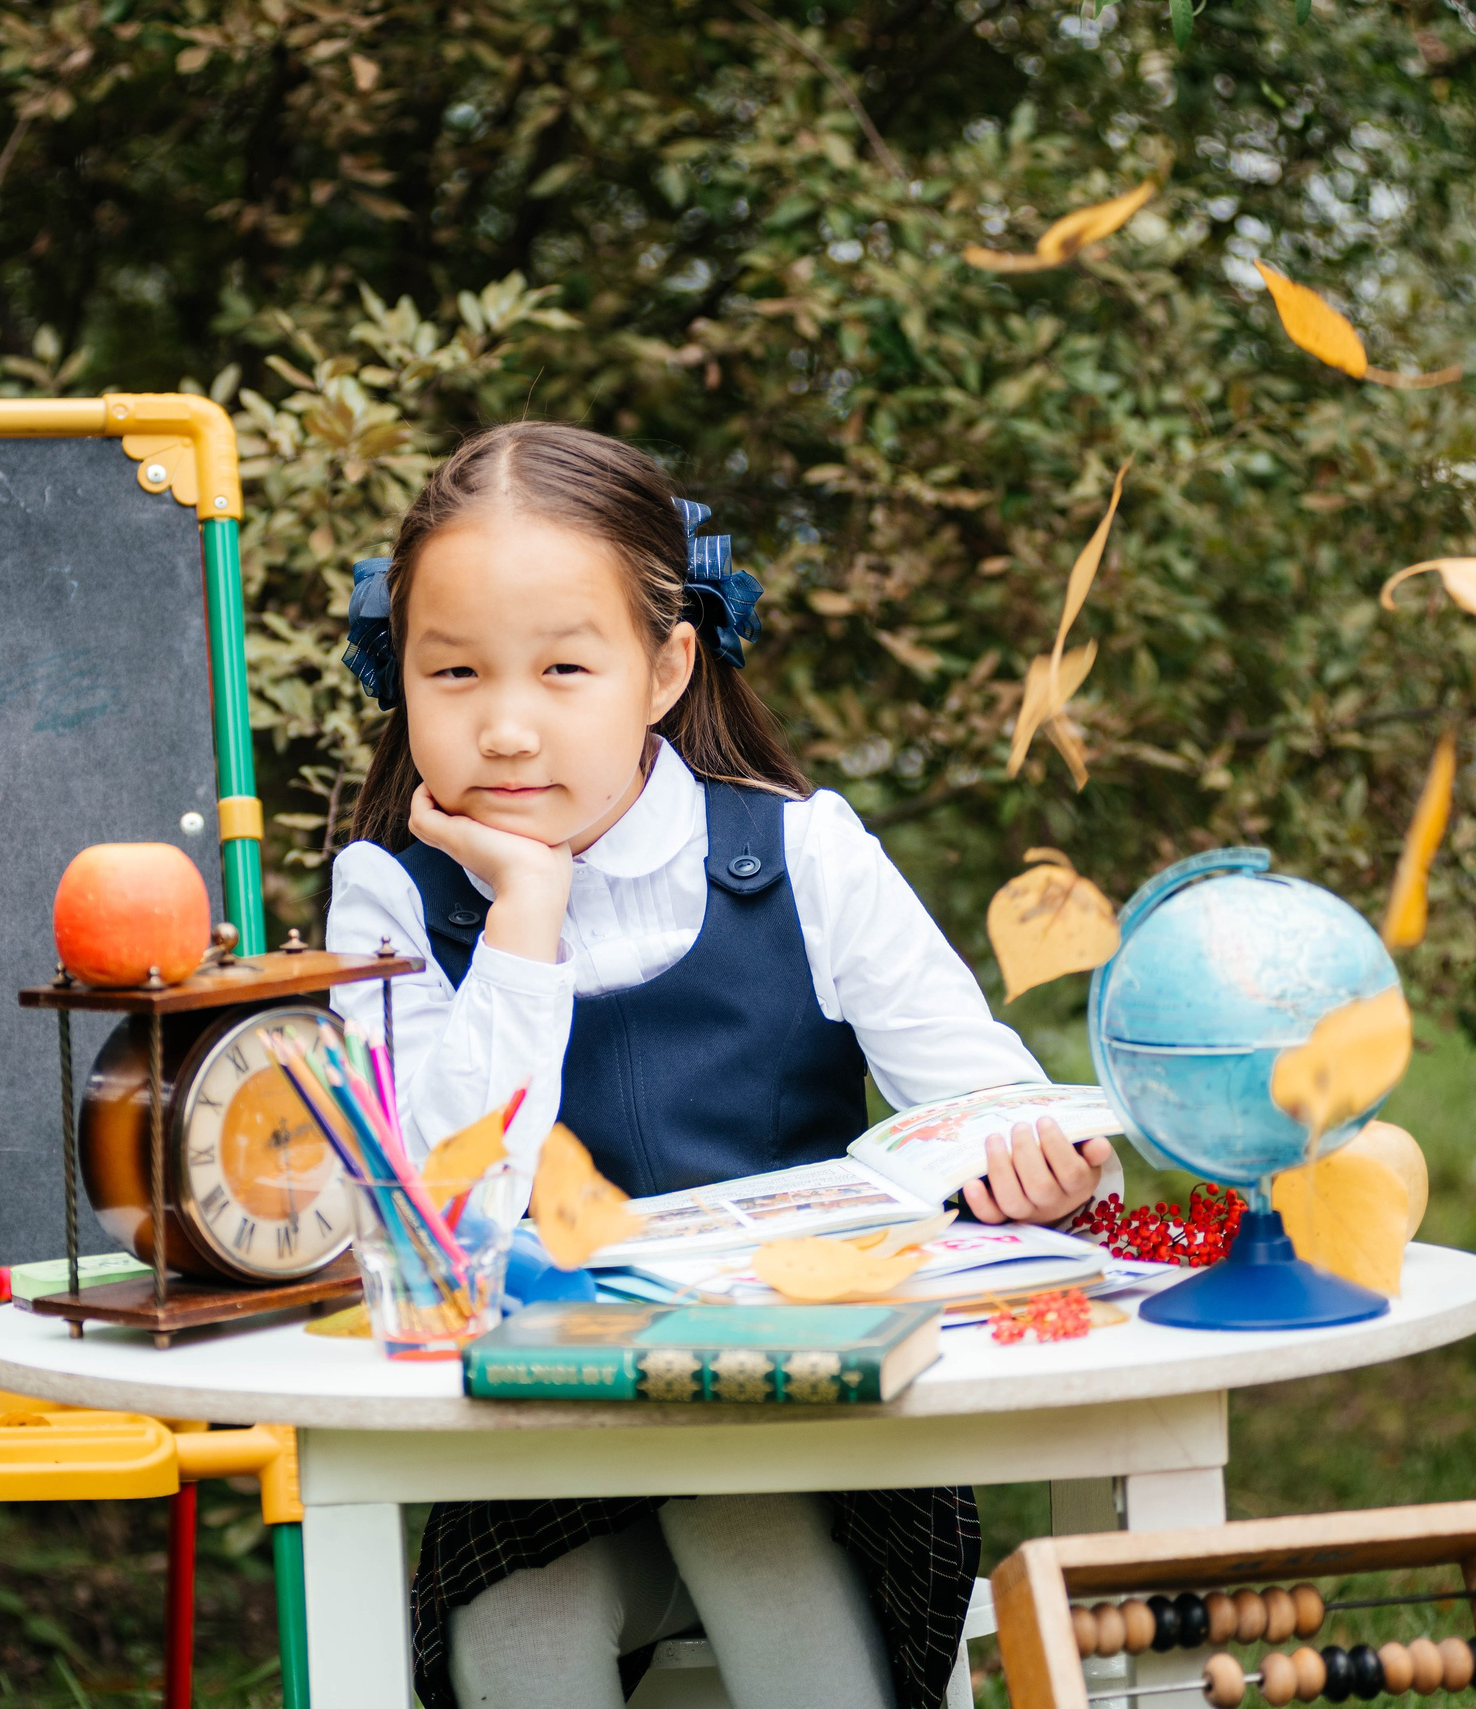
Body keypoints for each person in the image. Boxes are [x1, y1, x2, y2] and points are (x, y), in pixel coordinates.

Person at [324, 421, 1119, 1709]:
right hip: (540, 1454)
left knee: (748, 1536)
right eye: (456, 673)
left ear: (664, 665)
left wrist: (1037, 1164)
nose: (509, 728)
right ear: (399, 678)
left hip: (816, 1434)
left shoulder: (802, 853)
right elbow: (435, 1221)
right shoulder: (392, 899)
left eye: (565, 669)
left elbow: (986, 1099)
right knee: (515, 1628)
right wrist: (524, 915)